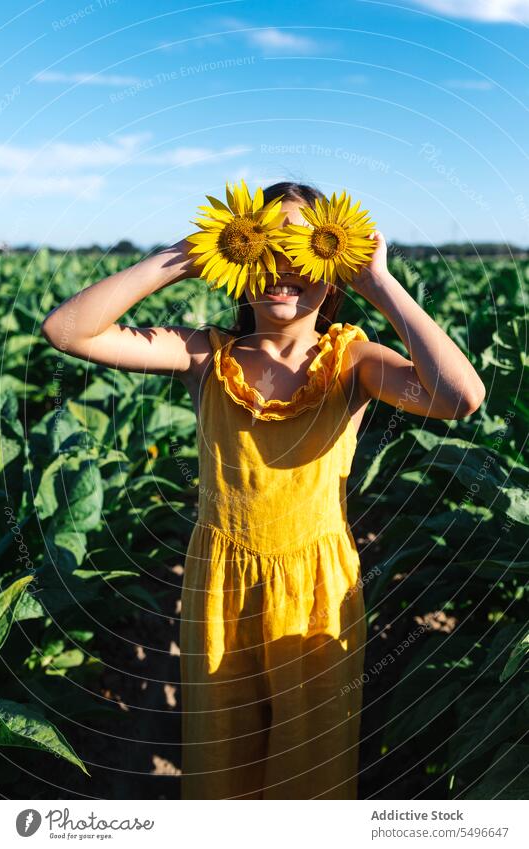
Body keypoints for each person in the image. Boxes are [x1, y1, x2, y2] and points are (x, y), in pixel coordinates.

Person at [41, 180, 486, 800]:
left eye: (302, 246)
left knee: (312, 771)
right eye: (264, 243)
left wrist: (378, 282)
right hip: (218, 585)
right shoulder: (204, 355)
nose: (281, 264)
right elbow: (68, 331)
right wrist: (187, 254)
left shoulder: (353, 362)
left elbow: (460, 397)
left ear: (332, 267)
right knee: (221, 766)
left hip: (318, 590)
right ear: (240, 258)